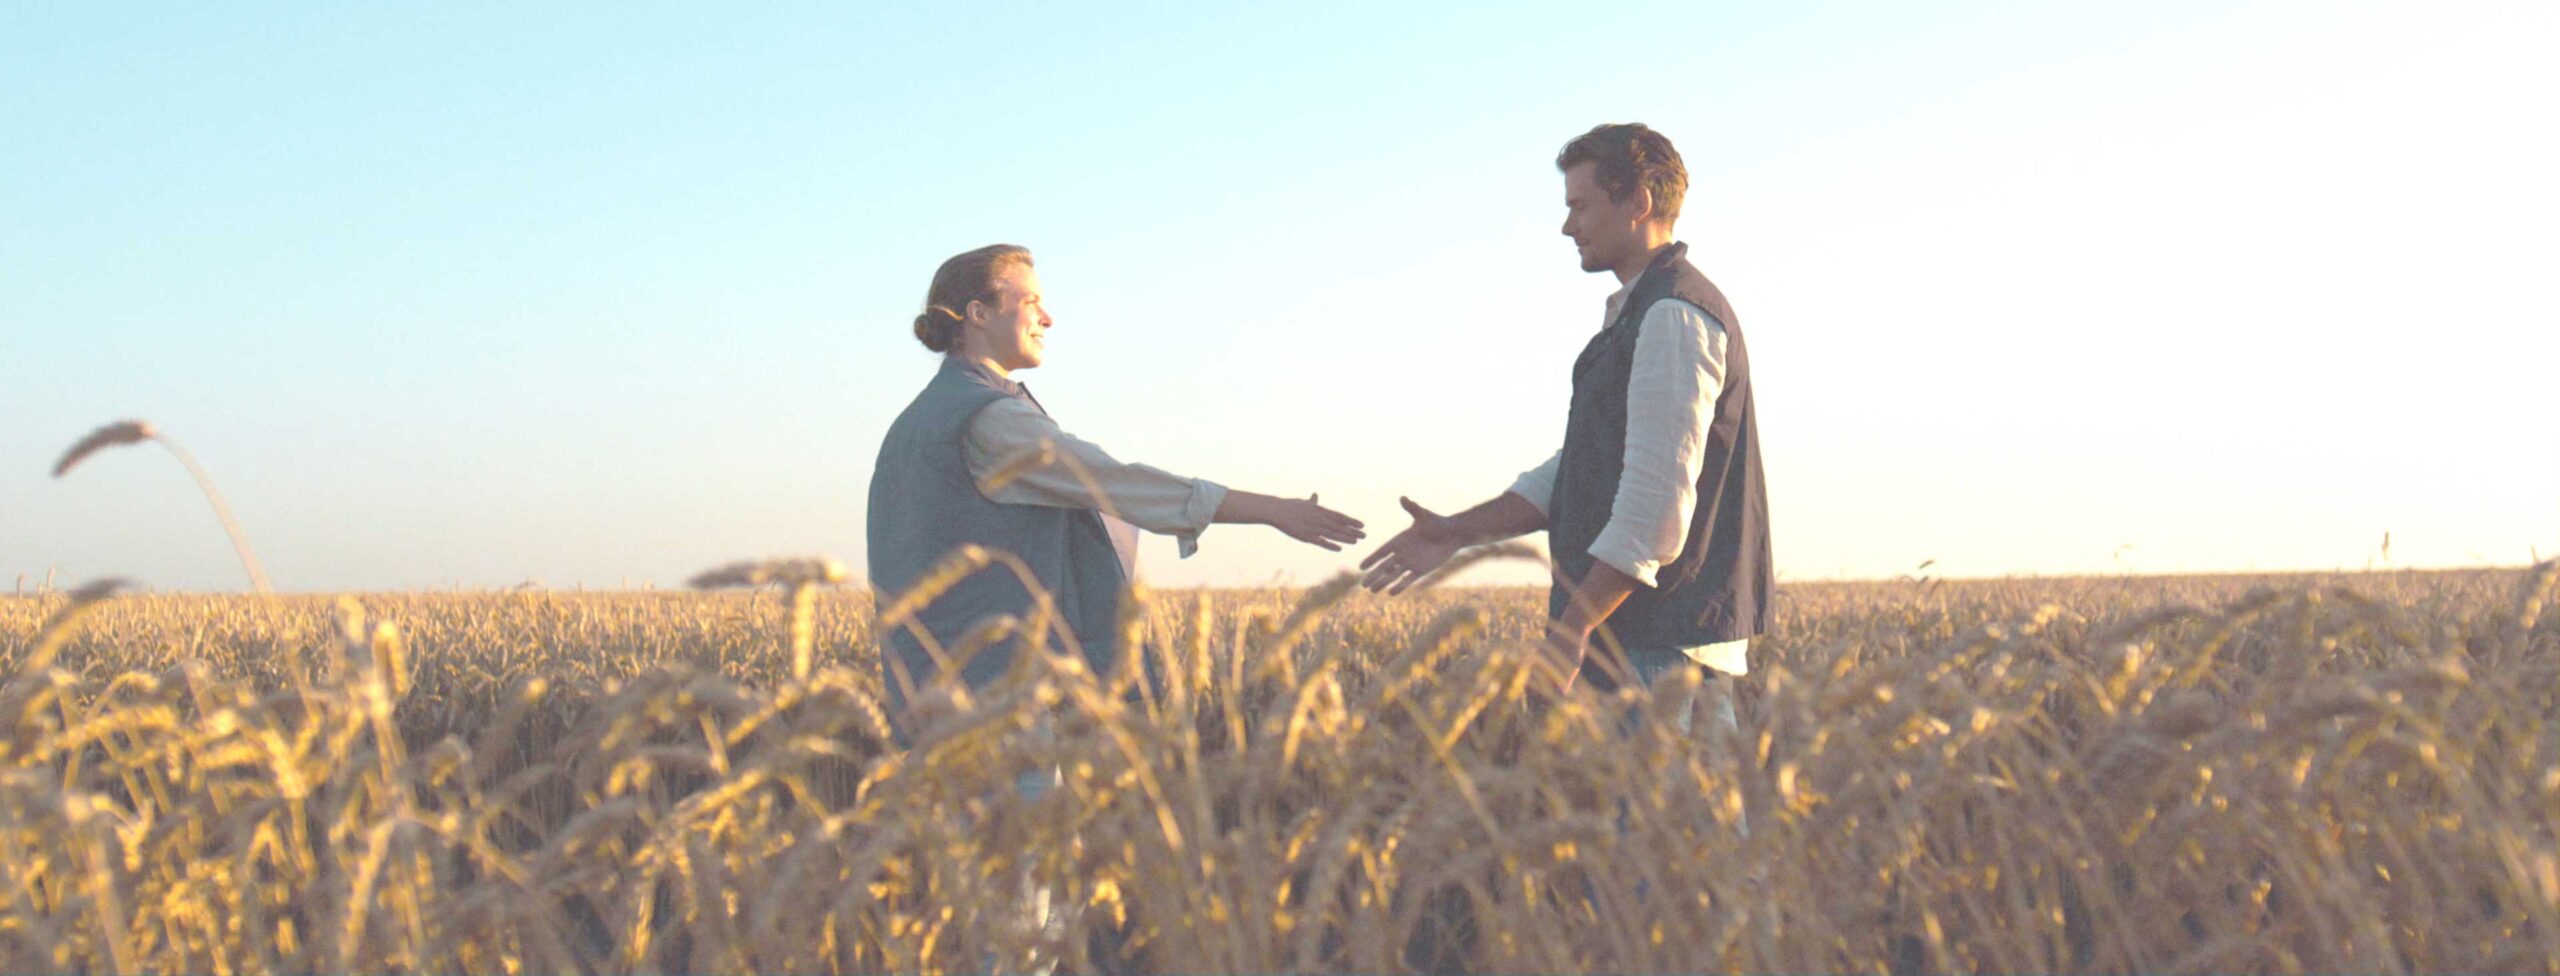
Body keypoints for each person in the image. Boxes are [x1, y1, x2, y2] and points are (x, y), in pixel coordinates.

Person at [1359, 123, 1772, 737]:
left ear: (1638, 203)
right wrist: (1456, 532)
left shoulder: (1673, 317)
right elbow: (1582, 467)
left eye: (1580, 206)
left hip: (1658, 648)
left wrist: (1573, 627)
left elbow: (1655, 505)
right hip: (1640, 643)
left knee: (1665, 832)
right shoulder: (1644, 313)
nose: (1567, 226)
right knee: (1671, 832)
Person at [867, 243, 1365, 726]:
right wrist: (1274, 510)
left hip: (940, 688)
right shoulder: (991, 419)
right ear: (979, 314)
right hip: (999, 698)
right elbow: (1118, 484)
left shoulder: (924, 417)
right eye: (1031, 302)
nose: (1049, 318)